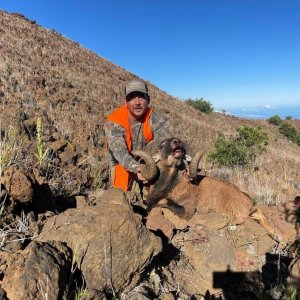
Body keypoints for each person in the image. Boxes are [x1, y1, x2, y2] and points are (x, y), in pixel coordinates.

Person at [105, 78, 171, 192]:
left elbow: (167, 145)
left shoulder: (155, 119)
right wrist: (138, 169)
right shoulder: (114, 121)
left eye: (141, 97)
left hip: (147, 163)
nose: (137, 102)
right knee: (122, 193)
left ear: (148, 99)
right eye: (132, 98)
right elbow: (120, 153)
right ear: (125, 102)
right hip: (124, 165)